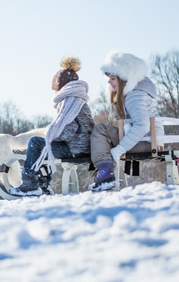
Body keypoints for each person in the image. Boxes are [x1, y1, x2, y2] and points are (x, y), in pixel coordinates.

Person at [10, 55, 94, 196]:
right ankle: (42, 184)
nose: (54, 93)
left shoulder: (68, 100)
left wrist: (52, 133)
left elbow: (69, 130)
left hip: (75, 149)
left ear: (60, 87)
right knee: (45, 144)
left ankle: (30, 183)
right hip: (83, 147)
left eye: (55, 89)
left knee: (36, 143)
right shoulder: (78, 99)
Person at [89, 51, 164, 192]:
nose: (109, 82)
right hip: (146, 139)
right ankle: (105, 173)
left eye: (112, 78)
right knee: (102, 135)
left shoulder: (135, 95)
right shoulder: (131, 94)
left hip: (146, 141)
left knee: (100, 130)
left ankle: (105, 175)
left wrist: (119, 150)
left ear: (124, 78)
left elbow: (142, 125)